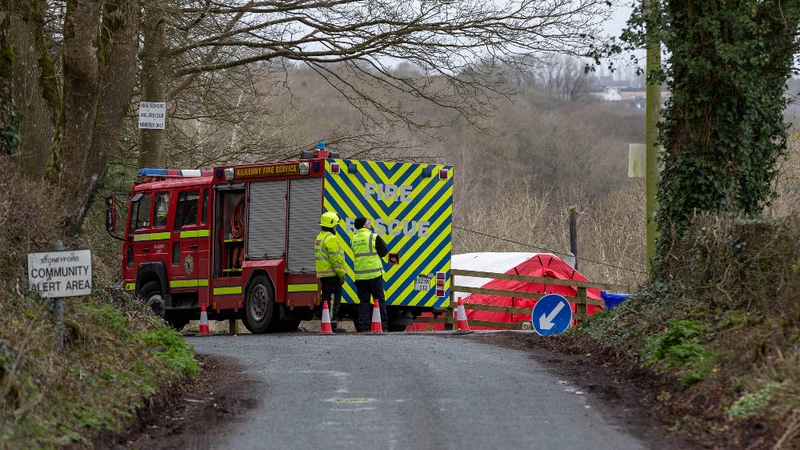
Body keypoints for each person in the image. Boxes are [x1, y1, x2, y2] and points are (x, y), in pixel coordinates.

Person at [351, 217, 389, 332]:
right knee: (379, 301)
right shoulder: (373, 237)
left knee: (364, 302)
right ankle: (382, 326)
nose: (370, 223)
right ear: (363, 225)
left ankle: (363, 327)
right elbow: (383, 252)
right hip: (374, 275)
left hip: (360, 276)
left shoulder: (353, 239)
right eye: (368, 222)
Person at [315, 211, 346, 332]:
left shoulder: (320, 237)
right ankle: (331, 324)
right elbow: (335, 259)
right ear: (331, 225)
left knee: (326, 298)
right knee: (333, 300)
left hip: (324, 274)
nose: (336, 227)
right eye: (336, 225)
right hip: (333, 274)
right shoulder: (331, 238)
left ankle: (326, 321)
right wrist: (341, 274)